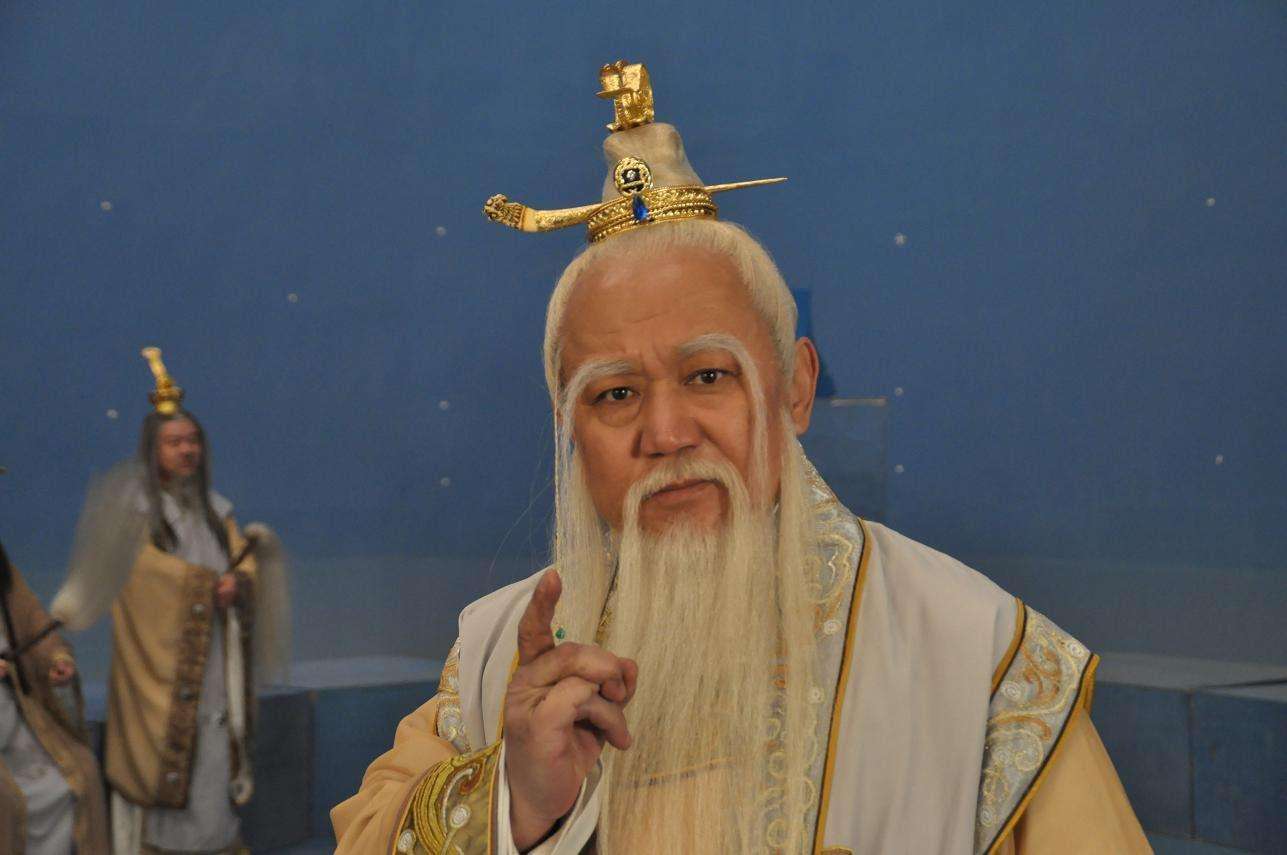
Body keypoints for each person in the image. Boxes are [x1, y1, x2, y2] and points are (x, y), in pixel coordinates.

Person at [332, 62, 1148, 854]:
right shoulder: (499, 657)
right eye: (615, 393)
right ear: (568, 426)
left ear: (795, 387)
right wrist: (514, 804)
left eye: (708, 376)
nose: (665, 433)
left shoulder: (977, 658)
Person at [97, 348, 287, 855]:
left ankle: (215, 841)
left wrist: (239, 581)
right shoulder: (136, 511)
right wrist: (206, 587)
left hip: (214, 660)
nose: (187, 450)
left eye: (192, 440)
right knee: (173, 754)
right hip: (159, 670)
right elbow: (140, 575)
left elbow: (241, 560)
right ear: (153, 450)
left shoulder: (214, 510)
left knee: (215, 749)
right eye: (174, 442)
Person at [0, 538, 109, 855]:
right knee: (8, 803)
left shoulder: (5, 577)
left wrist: (56, 660)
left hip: (14, 715)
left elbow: (34, 623)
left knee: (80, 773)